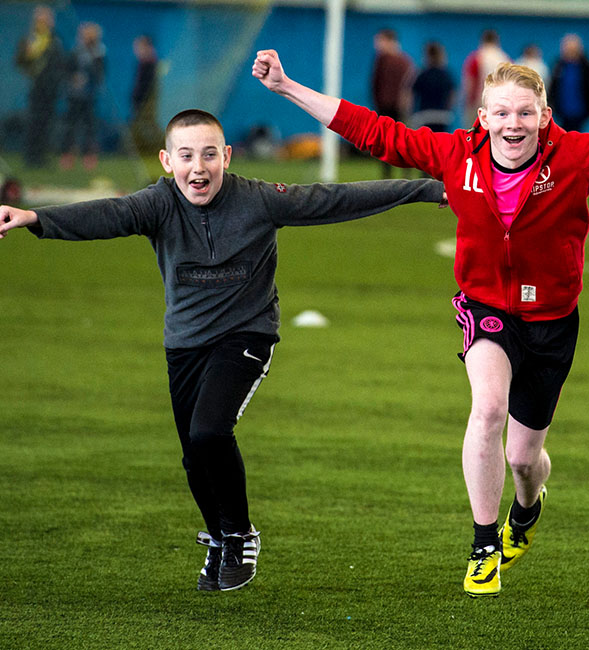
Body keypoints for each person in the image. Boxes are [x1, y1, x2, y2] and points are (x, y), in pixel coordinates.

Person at [253, 46, 589, 598]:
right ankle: (484, 546)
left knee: (525, 459)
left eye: (525, 112)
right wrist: (287, 86)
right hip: (485, 307)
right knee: (488, 409)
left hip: (553, 320)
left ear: (544, 116)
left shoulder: (575, 156)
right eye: (501, 112)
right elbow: (372, 130)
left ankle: (526, 510)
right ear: (482, 117)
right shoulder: (456, 154)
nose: (513, 123)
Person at [0, 109, 445, 593]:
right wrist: (35, 218)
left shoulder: (258, 200)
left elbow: (335, 198)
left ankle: (239, 534)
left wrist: (424, 187)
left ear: (226, 157)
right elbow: (107, 213)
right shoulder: (158, 204)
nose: (199, 167)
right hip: (185, 345)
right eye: (187, 156)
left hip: (246, 336)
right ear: (168, 161)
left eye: (210, 154)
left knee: (210, 430)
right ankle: (218, 536)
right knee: (194, 456)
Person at [15, 5, 64, 167]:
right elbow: (20, 62)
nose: (47, 22)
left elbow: (60, 63)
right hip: (37, 89)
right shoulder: (31, 39)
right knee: (34, 122)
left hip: (51, 90)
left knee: (46, 123)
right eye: (43, 18)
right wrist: (27, 54)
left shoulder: (55, 39)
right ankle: (31, 157)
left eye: (49, 18)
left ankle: (41, 156)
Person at [60, 22, 106, 171]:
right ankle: (67, 156)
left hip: (89, 96)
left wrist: (88, 79)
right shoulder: (75, 52)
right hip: (74, 96)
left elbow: (100, 75)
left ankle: (89, 157)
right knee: (70, 126)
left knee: (89, 128)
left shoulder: (99, 53)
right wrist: (74, 79)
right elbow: (66, 71)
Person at [371, 28, 416, 178]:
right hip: (396, 106)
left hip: (389, 106)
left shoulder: (384, 60)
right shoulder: (405, 60)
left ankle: (390, 173)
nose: (377, 44)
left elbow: (375, 84)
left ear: (389, 41)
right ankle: (402, 172)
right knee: (398, 140)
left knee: (389, 141)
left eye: (380, 40)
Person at [460, 29, 509, 127]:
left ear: (482, 40)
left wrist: (466, 103)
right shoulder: (505, 59)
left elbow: (470, 83)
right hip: (501, 104)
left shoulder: (476, 58)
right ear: (497, 40)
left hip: (479, 103)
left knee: (473, 137)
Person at [548, 33, 589, 133]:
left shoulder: (586, 66)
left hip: (580, 110)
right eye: (567, 48)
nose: (570, 52)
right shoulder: (559, 66)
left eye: (573, 49)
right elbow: (553, 87)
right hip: (563, 110)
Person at [408, 41, 456, 133]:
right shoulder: (446, 75)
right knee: (441, 144)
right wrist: (448, 109)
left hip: (424, 115)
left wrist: (410, 113)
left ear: (427, 56)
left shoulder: (421, 74)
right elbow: (452, 96)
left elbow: (411, 95)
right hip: (442, 116)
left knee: (424, 145)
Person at [130, 34, 162, 156]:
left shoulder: (150, 62)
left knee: (149, 125)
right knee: (144, 126)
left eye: (139, 46)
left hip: (146, 101)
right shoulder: (142, 63)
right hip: (140, 100)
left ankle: (161, 147)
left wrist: (141, 99)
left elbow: (146, 85)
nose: (137, 49)